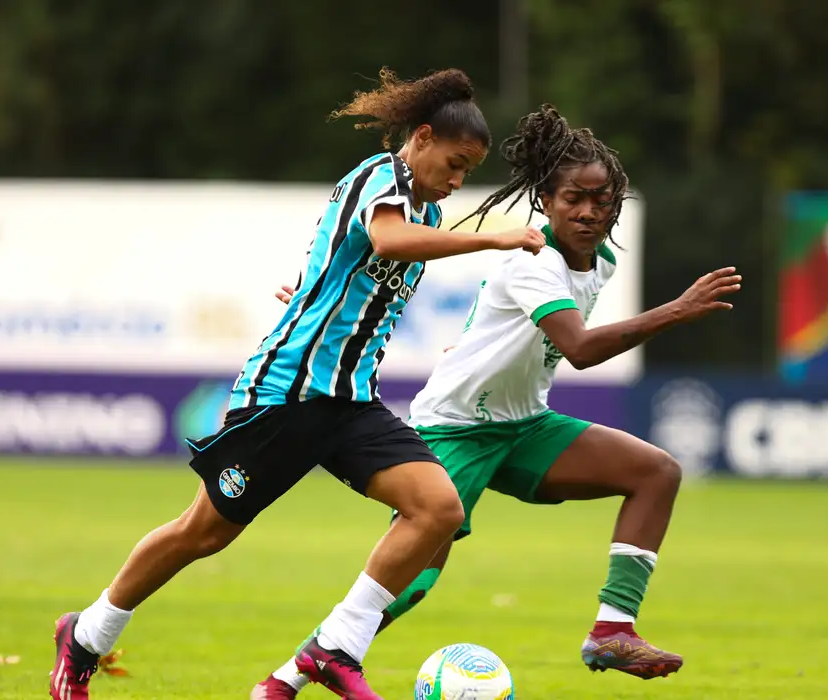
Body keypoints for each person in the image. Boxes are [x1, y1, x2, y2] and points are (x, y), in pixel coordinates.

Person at [48, 67, 546, 700]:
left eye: (467, 171)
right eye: (454, 162)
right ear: (421, 137)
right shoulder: (380, 178)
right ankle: (87, 634)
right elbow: (387, 240)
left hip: (348, 402)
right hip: (286, 393)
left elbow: (356, 267)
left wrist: (311, 289)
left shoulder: (422, 206)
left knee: (439, 509)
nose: (457, 180)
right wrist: (491, 237)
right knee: (204, 532)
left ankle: (336, 647)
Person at [254, 104, 743, 697]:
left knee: (656, 471)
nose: (589, 212)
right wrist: (679, 309)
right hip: (454, 428)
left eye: (603, 200)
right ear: (544, 201)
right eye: (573, 199)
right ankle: (286, 679)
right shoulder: (531, 263)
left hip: (523, 425)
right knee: (411, 584)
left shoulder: (602, 262)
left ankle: (614, 629)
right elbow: (581, 349)